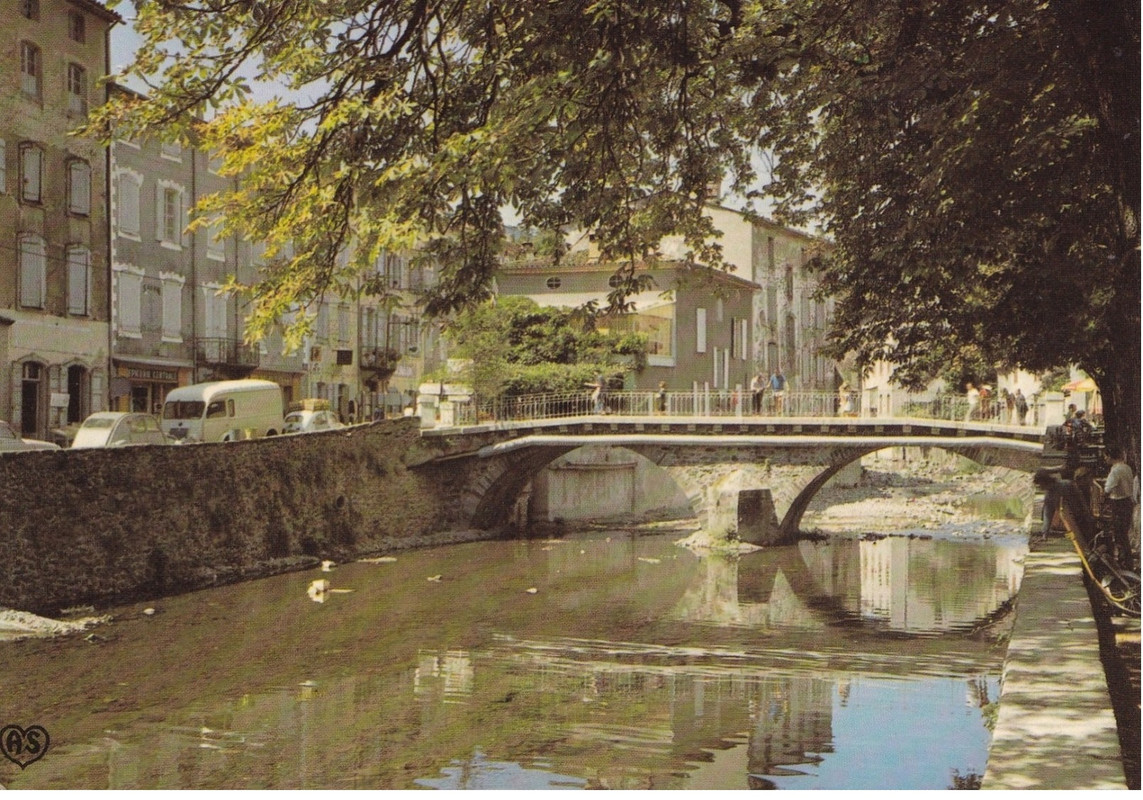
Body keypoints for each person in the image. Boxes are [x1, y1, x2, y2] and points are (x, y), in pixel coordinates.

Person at [1103, 445, 1135, 566]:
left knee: (1119, 534)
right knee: (1124, 533)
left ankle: (1124, 561)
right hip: (1127, 502)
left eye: (1106, 456)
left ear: (1110, 456)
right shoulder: (1127, 467)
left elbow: (1108, 488)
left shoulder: (1115, 470)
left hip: (1119, 503)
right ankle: (1127, 560)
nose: (1105, 459)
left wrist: (1103, 498)